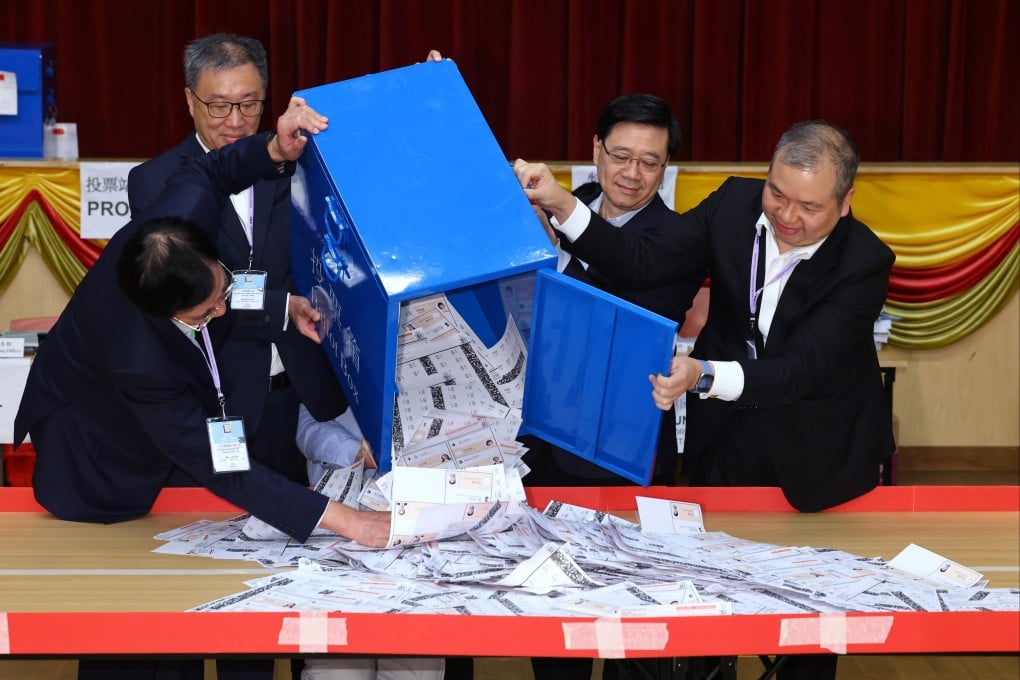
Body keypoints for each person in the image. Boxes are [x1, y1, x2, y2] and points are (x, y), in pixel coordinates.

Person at [14, 99, 392, 680]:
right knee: (128, 622)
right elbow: (217, 463)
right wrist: (348, 520)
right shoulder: (139, 359)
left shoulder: (173, 226)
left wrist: (273, 147)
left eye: (222, 289)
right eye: (212, 307)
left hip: (156, 393)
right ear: (169, 316)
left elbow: (212, 169)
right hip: (94, 449)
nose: (224, 306)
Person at [515, 120, 896, 680]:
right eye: (777, 194)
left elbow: (798, 371)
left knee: (807, 623)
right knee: (708, 602)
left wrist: (701, 374)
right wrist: (558, 202)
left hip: (821, 451)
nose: (786, 217)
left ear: (845, 204)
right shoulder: (734, 204)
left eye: (808, 208)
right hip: (728, 443)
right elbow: (643, 261)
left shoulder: (864, 262)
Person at [128, 33, 348, 488]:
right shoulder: (157, 182)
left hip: (301, 398)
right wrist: (281, 306)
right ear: (190, 101)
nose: (236, 121)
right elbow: (191, 293)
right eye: (219, 106)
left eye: (249, 104)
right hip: (216, 399)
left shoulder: (299, 162)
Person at [520, 93, 702, 494]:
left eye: (649, 162)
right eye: (621, 155)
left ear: (665, 166)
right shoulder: (574, 203)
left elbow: (610, 325)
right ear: (596, 149)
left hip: (616, 446)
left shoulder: (679, 239)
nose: (632, 173)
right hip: (534, 433)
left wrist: (556, 258)